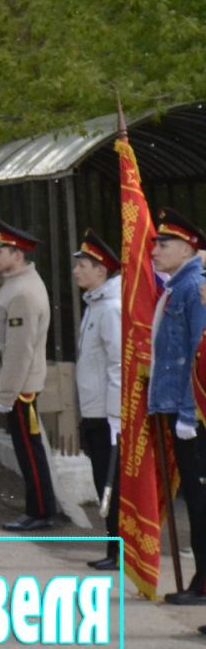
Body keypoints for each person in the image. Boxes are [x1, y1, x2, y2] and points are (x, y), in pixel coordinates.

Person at [147, 210, 206, 601]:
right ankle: (202, 580)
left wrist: (187, 412)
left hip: (194, 415)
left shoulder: (193, 288)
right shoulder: (178, 286)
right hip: (177, 407)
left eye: (162, 244)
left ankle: (203, 583)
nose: (154, 250)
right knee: (196, 505)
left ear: (187, 248)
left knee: (201, 503)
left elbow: (198, 357)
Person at [0, 223, 57, 531]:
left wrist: (5, 394)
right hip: (17, 385)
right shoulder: (15, 283)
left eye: (0, 252)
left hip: (21, 388)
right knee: (26, 447)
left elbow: (18, 352)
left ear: (17, 254)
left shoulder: (24, 293)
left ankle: (40, 510)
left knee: (29, 448)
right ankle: (37, 508)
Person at [70, 232, 122, 570]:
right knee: (103, 477)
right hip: (93, 409)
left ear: (101, 271)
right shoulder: (95, 304)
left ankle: (117, 550)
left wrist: (115, 415)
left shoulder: (109, 309)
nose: (76, 271)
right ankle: (111, 547)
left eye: (82, 265)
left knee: (111, 482)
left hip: (106, 413)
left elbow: (118, 364)